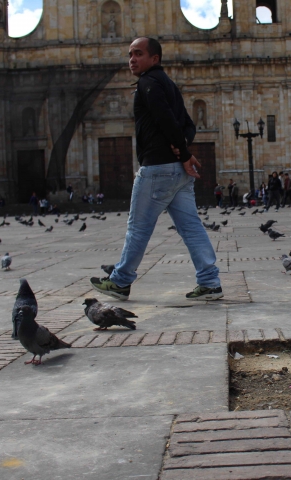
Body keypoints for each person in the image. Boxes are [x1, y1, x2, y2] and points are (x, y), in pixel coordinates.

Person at [90, 36, 222, 301]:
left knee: (138, 228)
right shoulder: (170, 85)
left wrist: (183, 152)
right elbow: (188, 125)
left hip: (157, 170)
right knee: (192, 227)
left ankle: (120, 281)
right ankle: (210, 282)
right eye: (130, 54)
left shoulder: (147, 83)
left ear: (154, 59)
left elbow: (164, 119)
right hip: (179, 175)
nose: (132, 59)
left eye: (138, 54)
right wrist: (183, 148)